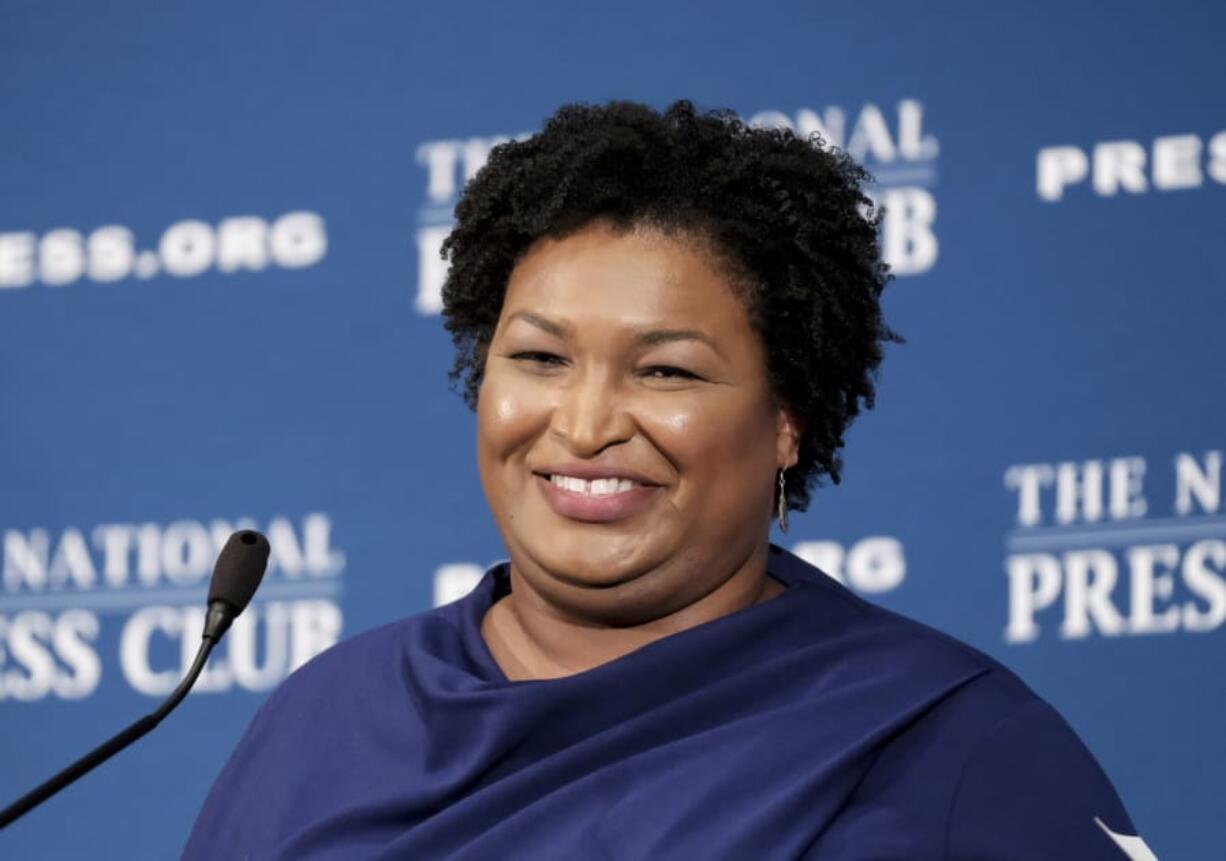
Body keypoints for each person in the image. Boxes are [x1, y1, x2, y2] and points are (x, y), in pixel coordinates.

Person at [184, 100, 1155, 859]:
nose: (587, 424)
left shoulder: (943, 744)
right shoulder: (321, 725)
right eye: (539, 358)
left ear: (786, 420)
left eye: (665, 371)